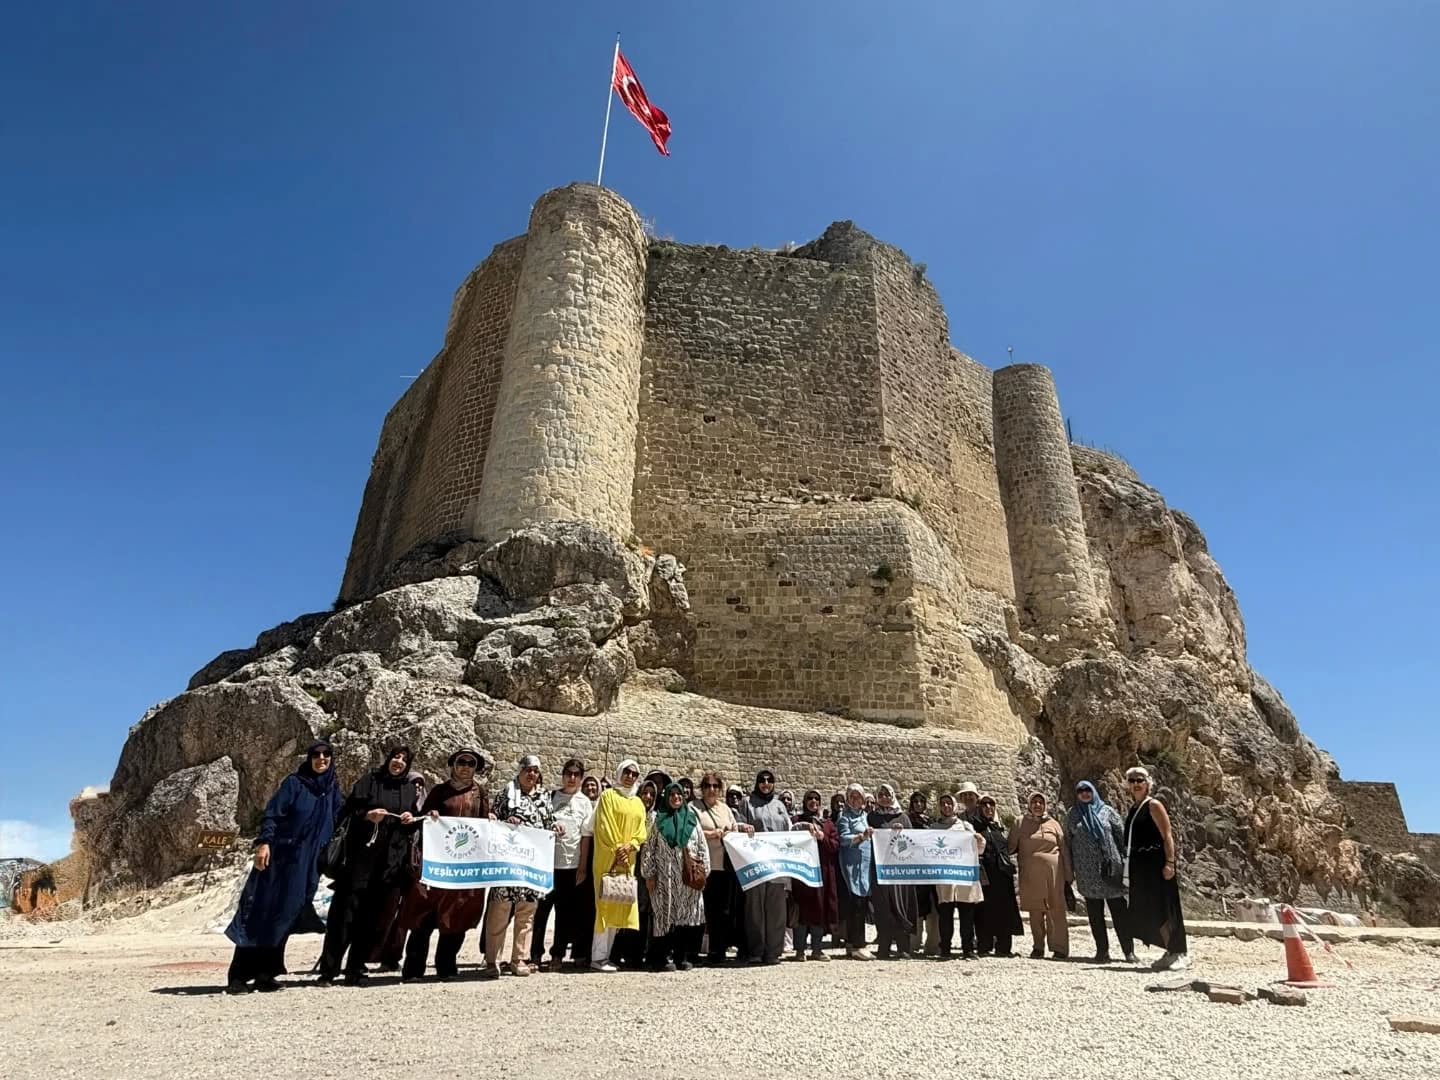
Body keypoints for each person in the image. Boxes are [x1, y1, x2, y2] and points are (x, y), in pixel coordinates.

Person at [224, 739, 342, 993]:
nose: (321, 759)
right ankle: (239, 976)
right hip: (279, 860)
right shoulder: (295, 784)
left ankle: (267, 973)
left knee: (285, 916)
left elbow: (341, 818)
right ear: (309, 758)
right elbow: (273, 814)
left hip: (307, 866)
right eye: (316, 755)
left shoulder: (332, 789)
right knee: (260, 911)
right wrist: (264, 843)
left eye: (326, 755)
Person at [318, 746, 423, 984]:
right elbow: (347, 812)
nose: (399, 762)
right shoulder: (370, 781)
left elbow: (411, 825)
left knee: (371, 920)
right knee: (344, 917)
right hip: (359, 862)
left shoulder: (408, 789)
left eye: (404, 759)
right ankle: (329, 970)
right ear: (388, 759)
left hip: (389, 865)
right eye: (395, 756)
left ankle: (356, 969)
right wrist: (367, 815)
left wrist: (410, 820)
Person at [399, 747, 492, 981]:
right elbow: (423, 818)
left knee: (457, 916)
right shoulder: (440, 791)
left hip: (464, 866)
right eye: (462, 762)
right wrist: (430, 816)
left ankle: (446, 967)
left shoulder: (480, 793)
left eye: (471, 764)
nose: (466, 767)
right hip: (438, 863)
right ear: (453, 765)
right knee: (424, 916)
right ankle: (413, 969)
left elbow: (483, 825)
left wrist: (491, 821)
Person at [481, 755, 560, 979]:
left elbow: (547, 822)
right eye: (528, 770)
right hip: (507, 865)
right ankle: (491, 960)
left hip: (530, 866)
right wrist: (499, 820)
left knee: (526, 915)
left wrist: (556, 827)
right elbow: (494, 818)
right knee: (499, 912)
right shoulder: (507, 793)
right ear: (520, 771)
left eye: (535, 771)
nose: (531, 774)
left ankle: (519, 959)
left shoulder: (544, 796)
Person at [530, 757, 595, 972]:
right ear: (563, 775)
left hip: (571, 866)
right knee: (541, 912)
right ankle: (535, 954)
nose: (572, 778)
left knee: (564, 914)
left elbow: (586, 836)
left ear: (581, 777)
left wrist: (583, 867)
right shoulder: (550, 797)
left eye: (576, 775)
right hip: (548, 865)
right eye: (569, 774)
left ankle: (557, 954)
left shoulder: (585, 803)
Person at [1123, 766, 1190, 971]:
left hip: (1156, 864)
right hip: (1140, 866)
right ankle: (1169, 950)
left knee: (1166, 906)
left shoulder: (1154, 805)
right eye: (1132, 780)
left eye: (1140, 780)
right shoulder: (1134, 808)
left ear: (1147, 783)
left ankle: (1180, 951)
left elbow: (1167, 835)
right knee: (1151, 908)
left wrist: (1170, 862)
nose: (1136, 784)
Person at [641, 781, 710, 970]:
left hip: (687, 878)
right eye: (672, 795)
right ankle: (661, 958)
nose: (676, 798)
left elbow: (702, 846)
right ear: (666, 797)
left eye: (679, 795)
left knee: (685, 918)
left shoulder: (691, 819)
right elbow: (648, 848)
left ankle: (682, 957)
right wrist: (649, 874)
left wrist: (704, 872)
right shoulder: (657, 820)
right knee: (663, 918)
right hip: (663, 879)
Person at [1066, 779, 1135, 964]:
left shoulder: (1107, 811)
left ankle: (1128, 951)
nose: (1084, 794)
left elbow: (1121, 837)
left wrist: (1126, 863)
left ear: (1094, 791)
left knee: (1119, 912)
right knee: (1095, 915)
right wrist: (1070, 869)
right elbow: (1068, 843)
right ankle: (1102, 952)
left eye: (1088, 790)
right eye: (1080, 791)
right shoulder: (1073, 815)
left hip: (1110, 869)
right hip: (1087, 873)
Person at [589, 759, 647, 972]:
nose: (630, 777)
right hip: (608, 859)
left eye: (634, 774)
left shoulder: (638, 803)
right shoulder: (608, 797)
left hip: (626, 860)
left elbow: (641, 830)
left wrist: (630, 846)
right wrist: (618, 849)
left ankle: (607, 956)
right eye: (627, 772)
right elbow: (604, 825)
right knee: (604, 905)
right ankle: (597, 957)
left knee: (619, 902)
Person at [735, 769, 791, 964]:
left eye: (769, 781)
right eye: (762, 780)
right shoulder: (747, 803)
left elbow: (788, 830)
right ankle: (756, 950)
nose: (766, 784)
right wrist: (743, 827)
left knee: (776, 909)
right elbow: (738, 825)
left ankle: (773, 951)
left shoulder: (779, 805)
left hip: (776, 864)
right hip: (755, 863)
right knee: (755, 908)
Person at [1010, 791, 1072, 960]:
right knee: (1035, 911)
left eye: (1040, 802)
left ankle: (1059, 948)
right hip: (1031, 875)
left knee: (1056, 910)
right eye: (1034, 802)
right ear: (1029, 804)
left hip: (1054, 874)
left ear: (1045, 805)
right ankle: (1038, 947)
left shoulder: (1054, 824)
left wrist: (1068, 875)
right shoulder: (1019, 823)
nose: (1037, 805)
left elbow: (1064, 850)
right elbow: (1010, 847)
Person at [695, 770, 744, 965]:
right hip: (705, 866)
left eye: (715, 786)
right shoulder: (694, 808)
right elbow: (693, 832)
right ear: (702, 788)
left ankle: (718, 951)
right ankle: (695, 951)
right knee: (703, 910)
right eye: (708, 786)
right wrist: (711, 834)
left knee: (723, 911)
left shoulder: (725, 809)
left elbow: (733, 829)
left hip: (724, 866)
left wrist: (736, 830)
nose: (712, 790)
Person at [932, 792, 984, 960]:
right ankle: (945, 949)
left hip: (963, 877)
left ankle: (967, 949)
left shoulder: (965, 826)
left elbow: (979, 849)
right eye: (943, 803)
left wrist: (978, 839)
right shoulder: (934, 828)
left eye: (949, 803)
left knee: (966, 915)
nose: (946, 806)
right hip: (944, 877)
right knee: (945, 915)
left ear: (954, 806)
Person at [868, 783, 917, 959]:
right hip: (879, 870)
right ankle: (884, 947)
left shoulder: (903, 818)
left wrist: (901, 834)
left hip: (899, 870)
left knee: (900, 905)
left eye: (887, 795)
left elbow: (912, 842)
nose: (884, 798)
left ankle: (903, 947)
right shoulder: (872, 817)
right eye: (881, 795)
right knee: (882, 907)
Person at [791, 790, 838, 962]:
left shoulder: (827, 824)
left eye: (816, 799)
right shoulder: (796, 821)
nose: (813, 801)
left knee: (819, 909)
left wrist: (822, 836)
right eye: (809, 799)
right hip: (802, 873)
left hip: (822, 873)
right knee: (802, 910)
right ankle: (800, 950)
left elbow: (834, 845)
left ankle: (817, 949)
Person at [973, 793, 1022, 957]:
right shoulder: (974, 826)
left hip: (1002, 876)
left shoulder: (998, 827)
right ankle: (985, 945)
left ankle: (1004, 947)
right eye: (984, 804)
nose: (988, 808)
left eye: (991, 804)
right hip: (985, 874)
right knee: (984, 909)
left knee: (1004, 909)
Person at [835, 784, 875, 960]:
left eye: (858, 797)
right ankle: (857, 944)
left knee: (862, 903)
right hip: (852, 865)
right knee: (856, 905)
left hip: (865, 866)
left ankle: (856, 942)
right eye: (852, 797)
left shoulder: (866, 816)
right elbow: (843, 838)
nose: (855, 800)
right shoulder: (844, 817)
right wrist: (860, 837)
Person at [907, 790, 939, 958]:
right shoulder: (907, 822)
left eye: (921, 801)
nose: (919, 804)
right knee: (914, 908)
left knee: (933, 909)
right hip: (913, 871)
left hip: (930, 871)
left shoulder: (932, 823)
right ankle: (913, 943)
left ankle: (933, 945)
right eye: (916, 801)